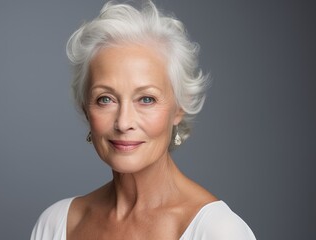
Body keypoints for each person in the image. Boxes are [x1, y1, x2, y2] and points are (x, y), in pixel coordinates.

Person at [30, 1, 256, 239]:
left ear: (179, 108)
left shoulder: (218, 231)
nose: (123, 122)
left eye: (146, 99)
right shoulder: (56, 224)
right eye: (105, 99)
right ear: (86, 108)